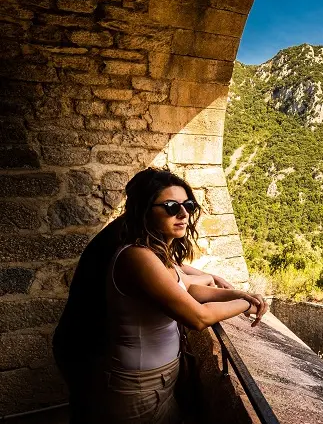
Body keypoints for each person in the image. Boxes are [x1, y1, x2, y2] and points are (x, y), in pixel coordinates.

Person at [53, 168, 267, 424]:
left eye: (188, 205)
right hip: (135, 383)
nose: (183, 213)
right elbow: (198, 318)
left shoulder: (153, 248)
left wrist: (236, 293)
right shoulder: (137, 255)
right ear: (145, 210)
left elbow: (184, 285)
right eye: (169, 206)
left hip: (154, 380)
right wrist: (246, 303)